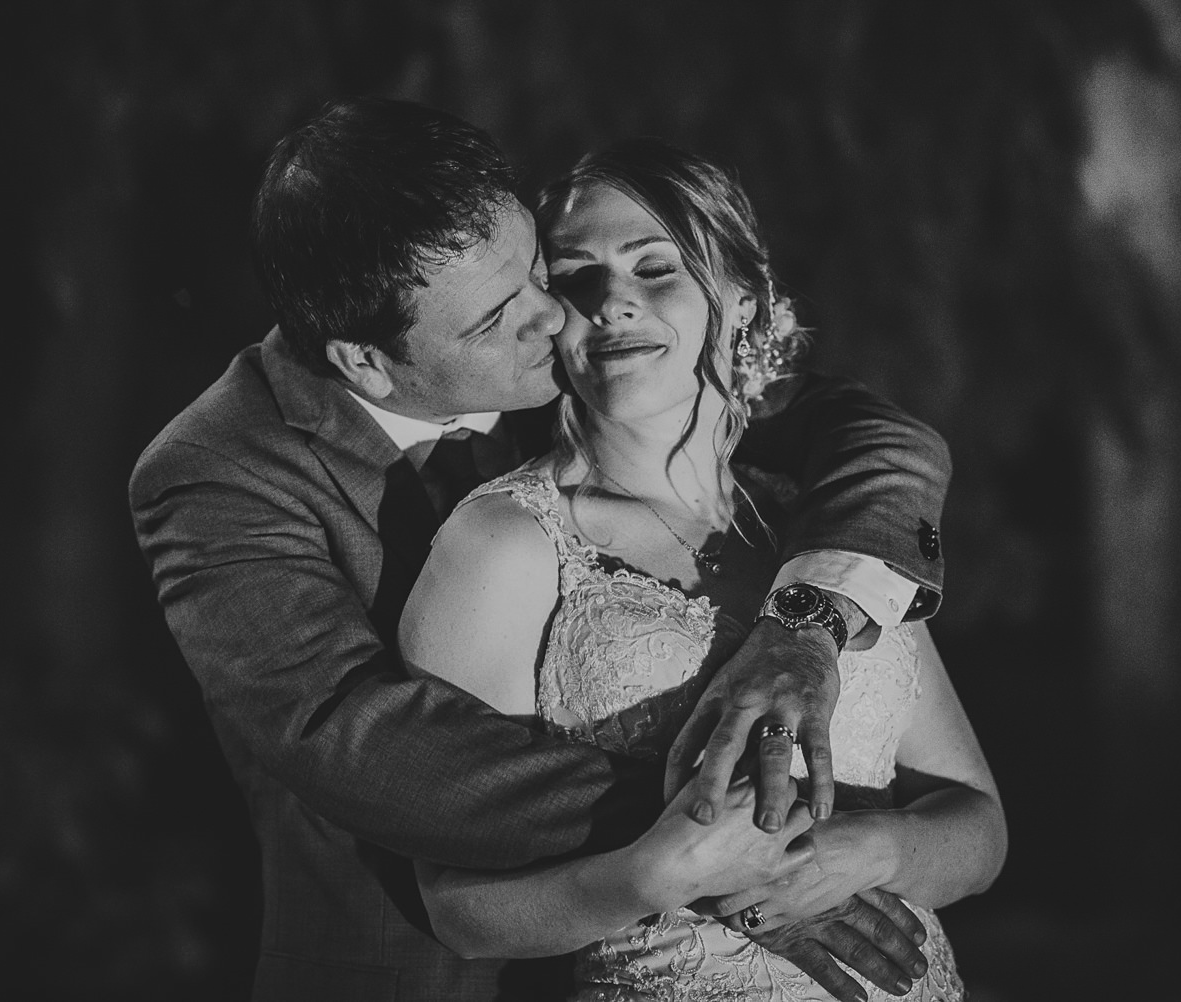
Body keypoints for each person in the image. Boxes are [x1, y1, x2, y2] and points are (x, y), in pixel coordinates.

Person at [130, 97, 953, 1001]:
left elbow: (880, 441)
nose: (557, 319)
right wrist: (739, 828)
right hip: (417, 968)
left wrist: (805, 626)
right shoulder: (219, 471)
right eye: (497, 317)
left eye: (535, 271)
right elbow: (349, 738)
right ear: (367, 363)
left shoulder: (583, 370)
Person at [400, 139, 1006, 1001]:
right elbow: (457, 905)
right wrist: (654, 875)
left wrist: (879, 850)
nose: (612, 302)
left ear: (743, 299)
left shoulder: (825, 528)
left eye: (655, 269)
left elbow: (979, 824)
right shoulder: (503, 544)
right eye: (574, 279)